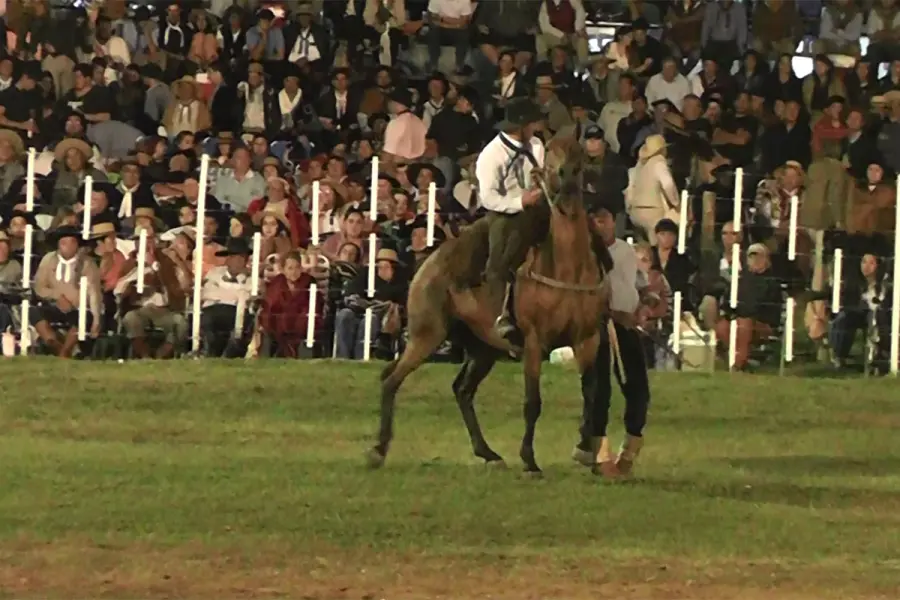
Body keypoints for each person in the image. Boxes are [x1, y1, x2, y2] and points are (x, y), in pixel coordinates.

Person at [575, 201, 652, 478]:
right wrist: (613, 313)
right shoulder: (584, 255)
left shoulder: (626, 251)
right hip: (599, 325)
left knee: (638, 388)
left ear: (612, 221)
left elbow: (638, 282)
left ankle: (629, 450)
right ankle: (599, 453)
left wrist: (645, 302)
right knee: (600, 389)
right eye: (595, 219)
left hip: (628, 324)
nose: (601, 224)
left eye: (604, 218)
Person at [475, 98, 546, 338]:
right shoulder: (491, 155)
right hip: (506, 212)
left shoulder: (536, 145)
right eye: (532, 123)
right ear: (521, 126)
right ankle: (499, 313)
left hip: (538, 204)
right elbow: (488, 198)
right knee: (500, 260)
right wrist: (519, 202)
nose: (536, 127)